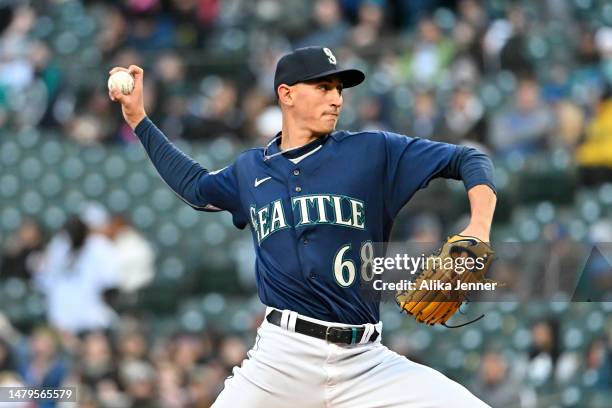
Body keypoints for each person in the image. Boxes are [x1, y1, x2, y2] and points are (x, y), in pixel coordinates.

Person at [109, 46, 496, 407]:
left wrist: (478, 226)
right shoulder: (250, 170)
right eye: (324, 86)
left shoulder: (372, 151)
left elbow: (468, 158)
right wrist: (139, 120)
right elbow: (195, 186)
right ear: (287, 94)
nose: (337, 98)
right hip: (281, 359)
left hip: (365, 362)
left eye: (339, 89)